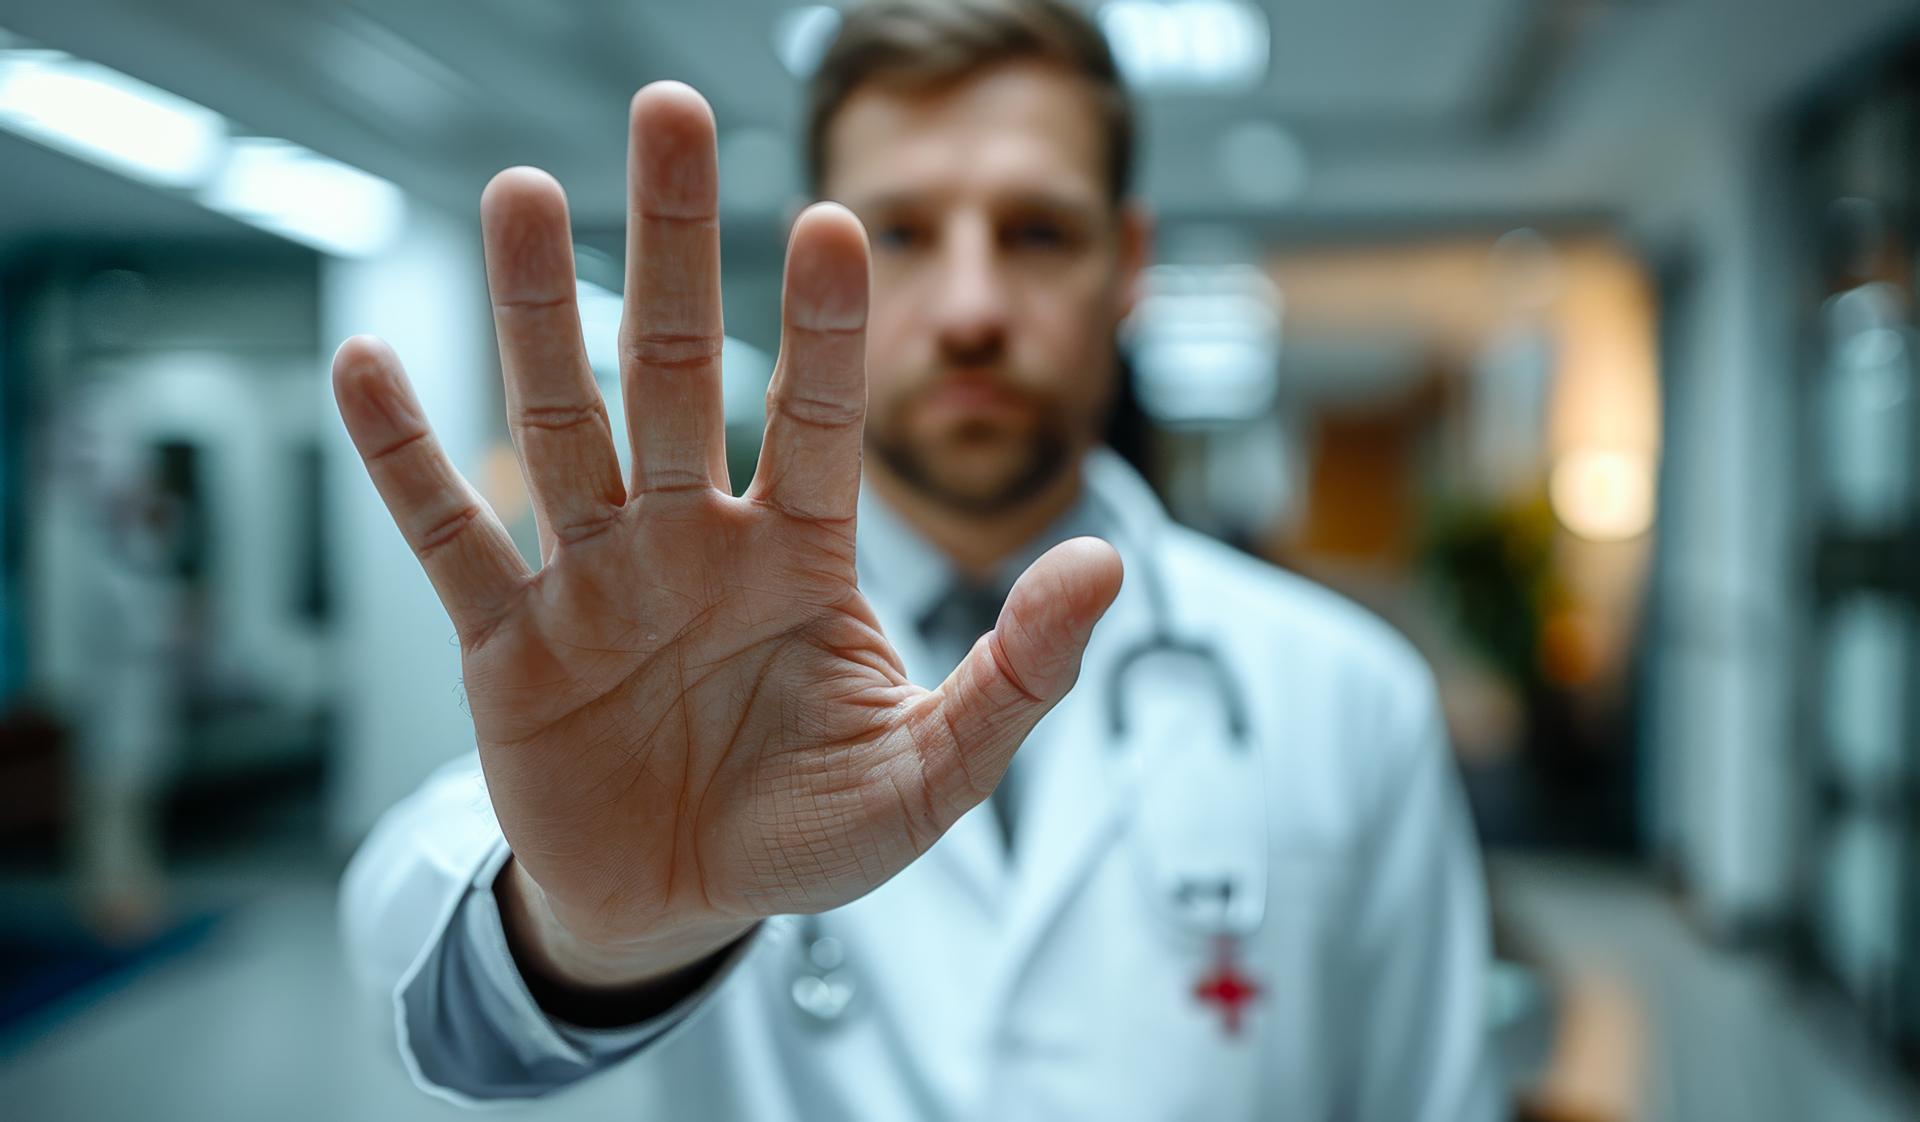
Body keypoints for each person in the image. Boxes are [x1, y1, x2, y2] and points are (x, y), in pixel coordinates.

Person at [336, 1, 1499, 1117]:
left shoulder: (1349, 699)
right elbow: (414, 953)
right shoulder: (668, 645)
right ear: (814, 264)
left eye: (1038, 232)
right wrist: (591, 935)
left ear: (1128, 261)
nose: (974, 307)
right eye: (898, 232)